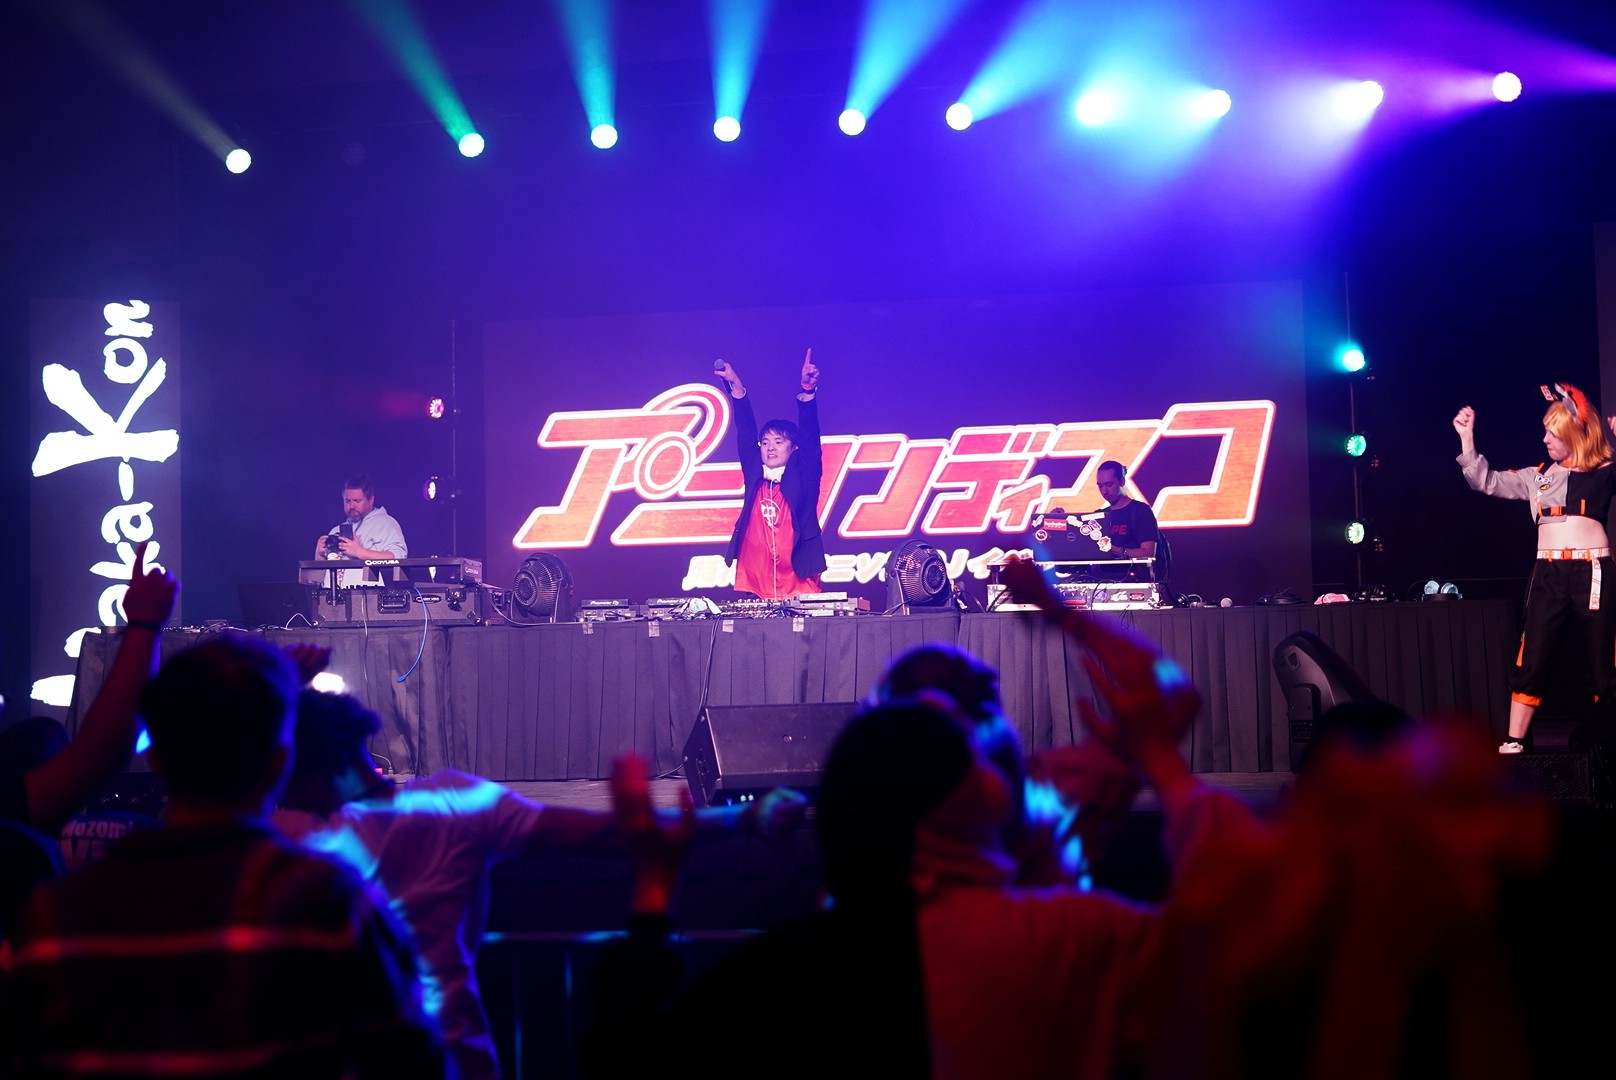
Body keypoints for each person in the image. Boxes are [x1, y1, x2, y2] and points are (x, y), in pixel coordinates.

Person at [275, 686, 806, 1080]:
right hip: (459, 1063)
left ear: (305, 768)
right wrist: (743, 818)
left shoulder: (293, 838)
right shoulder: (454, 804)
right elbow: (608, 834)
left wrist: (283, 685)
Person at [0, 635, 447, 1077]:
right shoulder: (329, 905)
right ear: (280, 763)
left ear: (154, 759)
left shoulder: (53, 915)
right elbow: (411, 1063)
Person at [1455, 382, 1616, 753]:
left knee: (1603, 660)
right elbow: (1486, 482)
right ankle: (1515, 740)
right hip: (1548, 575)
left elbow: (1583, 416)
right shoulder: (1537, 476)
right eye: (1545, 431)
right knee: (1533, 655)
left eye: (1552, 433)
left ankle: (1607, 740)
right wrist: (1467, 439)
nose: (1545, 439)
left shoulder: (1605, 472)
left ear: (1574, 432)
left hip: (1593, 572)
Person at [716, 351, 825, 600]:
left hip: (797, 579)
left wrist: (808, 392)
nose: (770, 448)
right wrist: (737, 386)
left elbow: (810, 440)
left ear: (793, 448)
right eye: (765, 442)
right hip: (756, 580)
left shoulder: (805, 477)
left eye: (778, 441)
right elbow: (745, 431)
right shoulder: (755, 473)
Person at [314, 474, 408, 586]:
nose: (352, 506)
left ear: (370, 500)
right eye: (347, 501)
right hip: (332, 593)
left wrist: (359, 552)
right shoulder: (335, 531)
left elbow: (399, 558)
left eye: (357, 501)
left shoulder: (386, 524)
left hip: (368, 594)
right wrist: (319, 555)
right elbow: (319, 577)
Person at [1094, 458, 1159, 561]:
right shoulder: (1098, 515)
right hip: (1103, 571)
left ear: (1122, 481)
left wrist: (1118, 551)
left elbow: (1149, 553)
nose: (1104, 491)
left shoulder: (1141, 511)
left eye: (1109, 485)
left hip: (1132, 571)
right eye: (1100, 486)